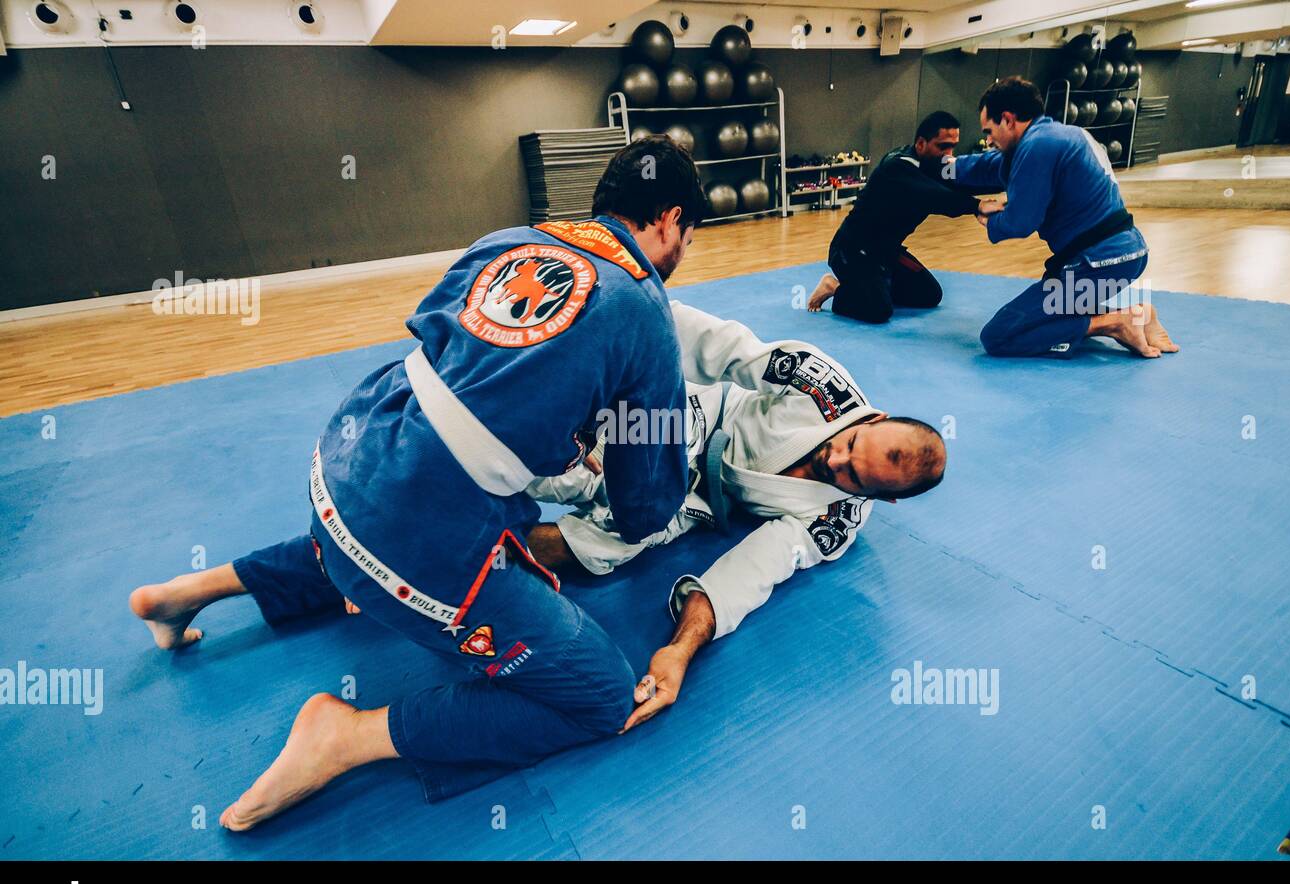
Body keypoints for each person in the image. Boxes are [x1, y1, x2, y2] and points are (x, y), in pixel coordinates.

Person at [129, 135, 709, 828]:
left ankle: (190, 590)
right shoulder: (644, 309)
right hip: (409, 532)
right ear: (671, 219)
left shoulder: (513, 236)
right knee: (602, 694)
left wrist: (565, 428)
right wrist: (643, 447)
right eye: (688, 236)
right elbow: (644, 507)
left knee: (425, 494)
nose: (681, 253)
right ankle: (347, 737)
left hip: (347, 453)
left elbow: (451, 348)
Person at [525, 301, 947, 728]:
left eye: (853, 476)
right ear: (874, 418)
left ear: (880, 498)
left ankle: (493, 553)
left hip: (703, 500)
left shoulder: (835, 521)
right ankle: (476, 467)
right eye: (852, 443)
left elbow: (752, 572)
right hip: (698, 416)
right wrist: (627, 314)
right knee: (585, 468)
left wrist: (679, 651)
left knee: (620, 539)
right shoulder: (820, 382)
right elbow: (723, 345)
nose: (835, 459)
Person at [947, 76, 1179, 358]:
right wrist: (942, 168)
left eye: (989, 130)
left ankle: (1116, 322)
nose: (988, 139)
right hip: (1122, 256)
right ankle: (1139, 315)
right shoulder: (1056, 137)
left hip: (1096, 264)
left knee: (999, 336)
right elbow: (987, 166)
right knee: (1048, 314)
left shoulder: (1038, 146)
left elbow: (1021, 222)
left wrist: (989, 217)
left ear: (1007, 119)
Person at [807, 110, 1005, 322]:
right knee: (879, 311)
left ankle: (873, 287)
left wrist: (1012, 179)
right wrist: (977, 205)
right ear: (921, 143)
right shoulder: (898, 166)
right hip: (852, 252)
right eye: (942, 146)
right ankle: (834, 287)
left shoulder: (935, 168)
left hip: (887, 253)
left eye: (952, 147)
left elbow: (965, 181)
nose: (949, 154)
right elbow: (935, 196)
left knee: (929, 294)